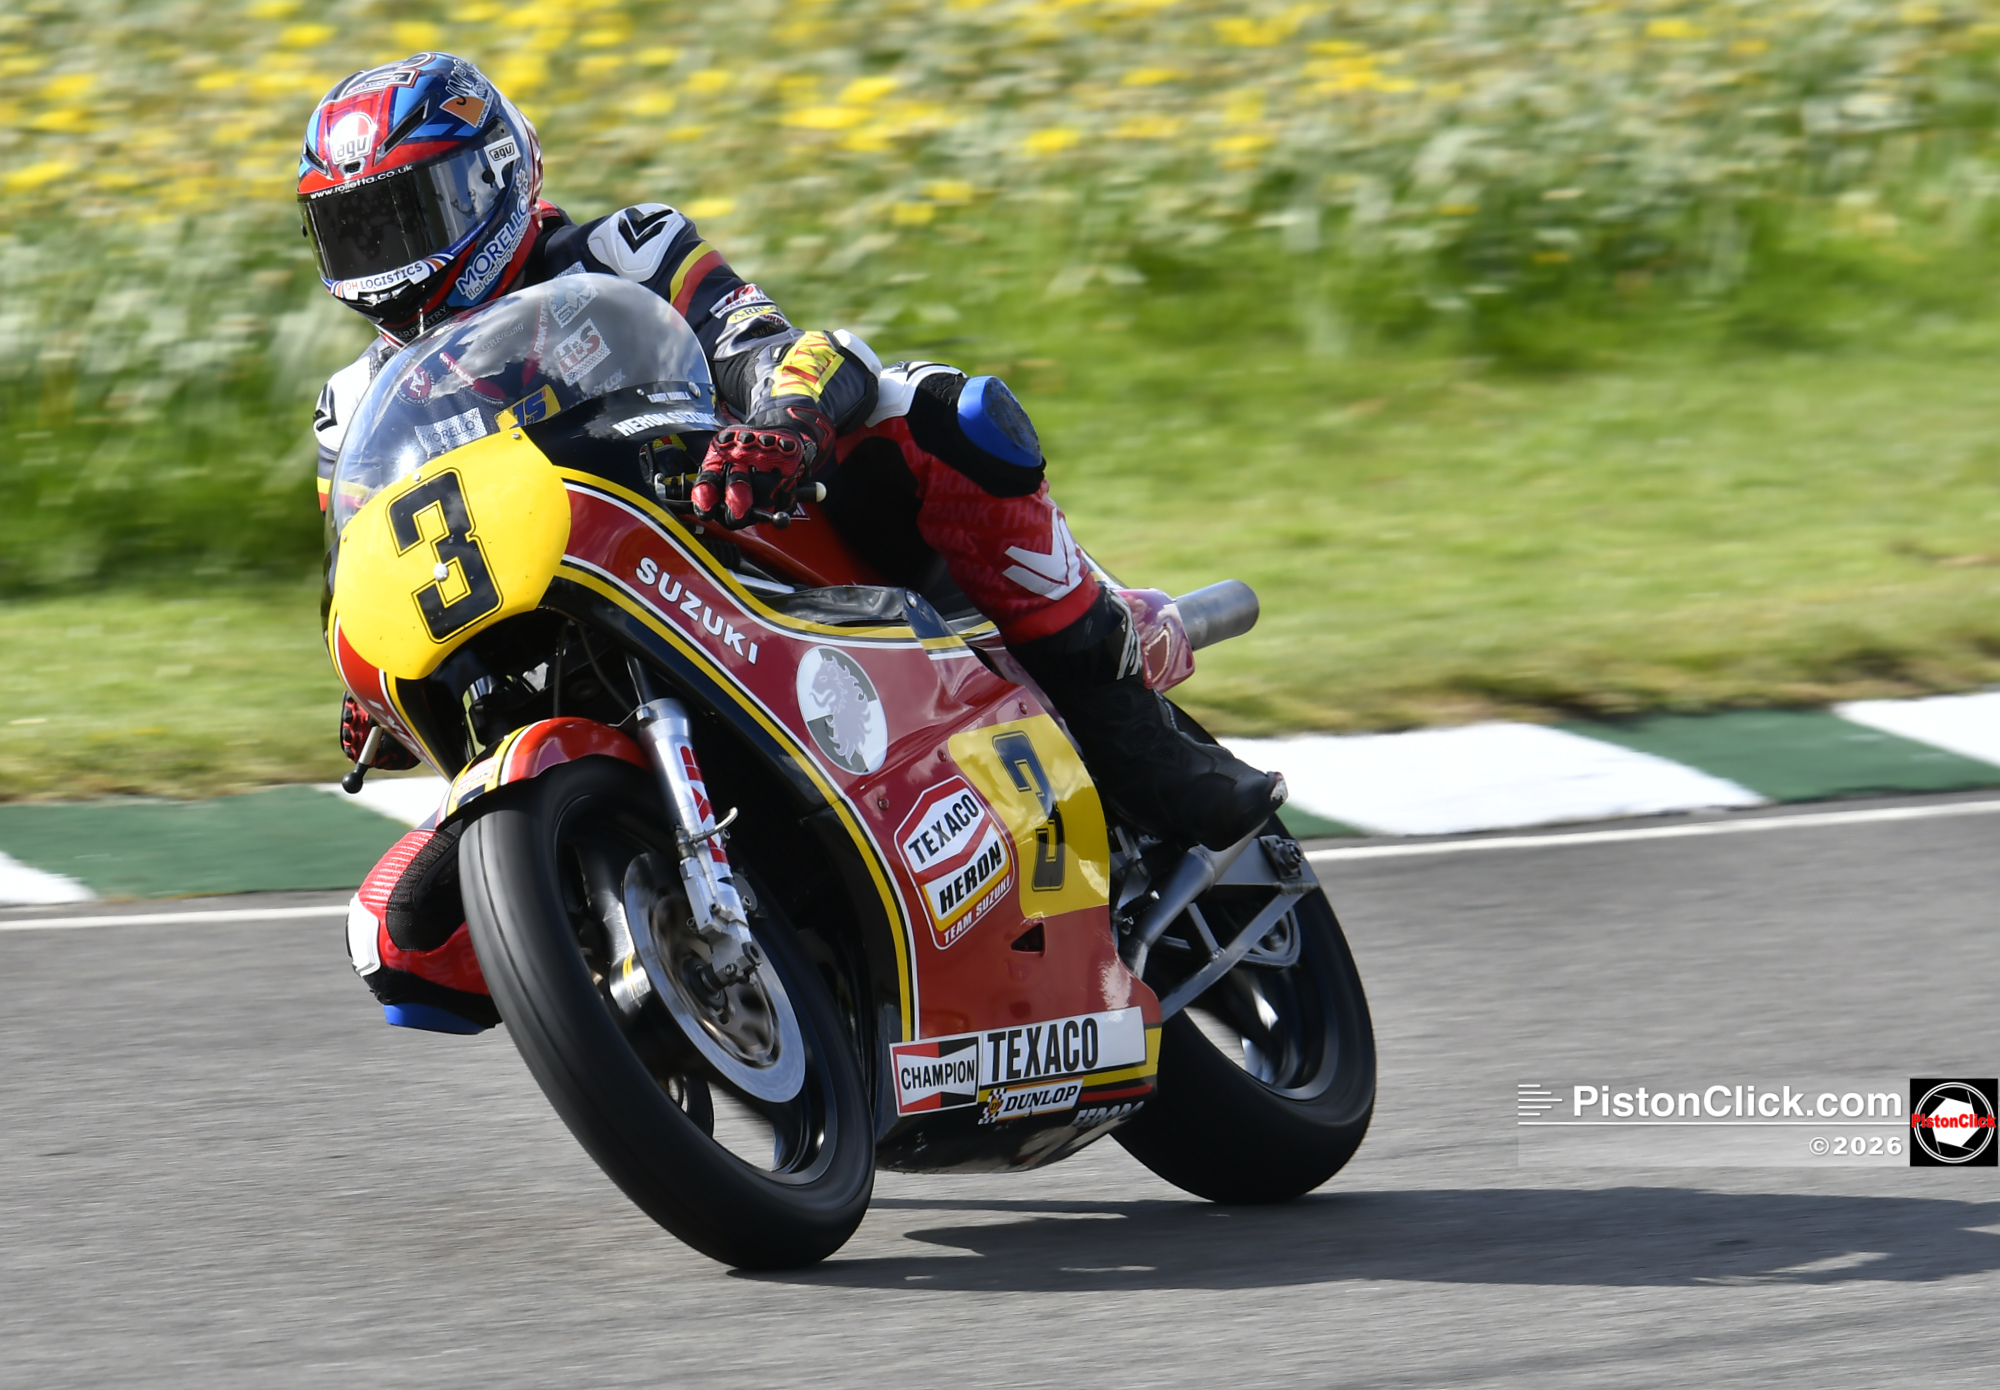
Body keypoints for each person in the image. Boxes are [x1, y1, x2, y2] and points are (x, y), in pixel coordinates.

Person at [300, 54, 1284, 1031]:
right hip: (551, 628)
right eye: (354, 229)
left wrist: (781, 422)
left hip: (729, 528)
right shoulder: (350, 408)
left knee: (936, 409)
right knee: (402, 935)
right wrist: (375, 691)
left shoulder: (624, 249)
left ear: (494, 178)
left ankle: (1120, 724)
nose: (383, 255)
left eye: (404, 214)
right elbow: (356, 567)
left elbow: (774, 344)